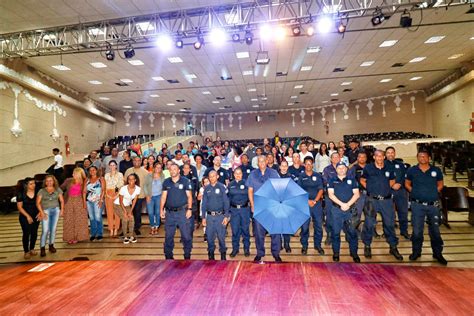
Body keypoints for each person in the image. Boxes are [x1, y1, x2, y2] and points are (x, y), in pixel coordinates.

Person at [405, 150, 447, 265]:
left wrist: (433, 192)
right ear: (417, 158)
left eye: (425, 156)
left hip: (433, 206)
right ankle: (416, 252)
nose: (422, 158)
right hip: (417, 205)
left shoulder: (436, 170)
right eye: (420, 156)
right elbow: (407, 183)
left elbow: (440, 184)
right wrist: (413, 191)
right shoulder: (412, 170)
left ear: (429, 157)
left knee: (435, 231)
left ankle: (437, 253)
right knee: (417, 231)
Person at [360, 150, 403, 261]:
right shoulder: (368, 168)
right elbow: (362, 180)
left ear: (384, 157)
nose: (379, 158)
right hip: (372, 200)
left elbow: (392, 181)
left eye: (381, 156)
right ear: (374, 157)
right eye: (377, 156)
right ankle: (367, 245)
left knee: (389, 224)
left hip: (386, 201)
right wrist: (370, 189)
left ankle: (393, 247)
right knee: (369, 224)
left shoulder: (389, 168)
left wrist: (384, 189)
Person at [246, 155, 282, 263]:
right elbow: (250, 191)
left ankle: (276, 253)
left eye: (263, 160)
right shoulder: (253, 174)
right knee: (258, 232)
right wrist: (252, 205)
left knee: (275, 231)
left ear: (267, 161)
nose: (261, 162)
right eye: (259, 161)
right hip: (258, 207)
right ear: (257, 163)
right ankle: (260, 253)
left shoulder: (273, 173)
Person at [327, 162, 361, 263]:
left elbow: (356, 194)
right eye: (339, 168)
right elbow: (331, 195)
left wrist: (348, 205)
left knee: (352, 233)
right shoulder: (332, 180)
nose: (341, 169)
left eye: (343, 168)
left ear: (346, 169)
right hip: (336, 210)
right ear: (336, 170)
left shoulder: (352, 180)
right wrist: (342, 204)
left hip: (350, 210)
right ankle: (336, 253)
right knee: (336, 233)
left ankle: (354, 253)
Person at [160, 164, 193, 260]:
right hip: (170, 214)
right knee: (168, 236)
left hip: (182, 212)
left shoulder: (185, 181)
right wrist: (161, 209)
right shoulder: (166, 182)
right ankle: (168, 257)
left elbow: (189, 196)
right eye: (171, 169)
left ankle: (187, 256)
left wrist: (190, 209)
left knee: (186, 236)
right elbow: (163, 197)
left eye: (175, 169)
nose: (172, 171)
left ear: (179, 170)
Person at [297, 157, 325, 255]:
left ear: (312, 164)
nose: (308, 165)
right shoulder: (301, 176)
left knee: (318, 226)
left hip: (317, 205)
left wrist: (315, 201)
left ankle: (318, 245)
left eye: (310, 163)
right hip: (304, 205)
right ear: (304, 164)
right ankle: (304, 246)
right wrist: (307, 201)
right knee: (304, 227)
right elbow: (298, 191)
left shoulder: (317, 175)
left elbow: (321, 189)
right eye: (306, 164)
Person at [201, 170, 230, 260]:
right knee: (209, 237)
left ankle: (223, 255)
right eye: (210, 176)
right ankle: (211, 255)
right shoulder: (207, 188)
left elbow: (226, 202)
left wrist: (226, 216)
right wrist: (203, 217)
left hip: (220, 216)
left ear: (217, 176)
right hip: (209, 217)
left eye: (213, 176)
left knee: (221, 237)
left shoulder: (222, 187)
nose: (212, 178)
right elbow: (204, 203)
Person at [36, 175, 64, 257]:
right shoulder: (41, 191)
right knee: (45, 230)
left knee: (53, 229)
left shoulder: (58, 189)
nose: (49, 182)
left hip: (55, 210)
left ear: (54, 181)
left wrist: (62, 210)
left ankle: (51, 245)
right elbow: (38, 203)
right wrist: (42, 212)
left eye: (50, 180)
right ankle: (42, 247)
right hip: (45, 211)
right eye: (47, 181)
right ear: (45, 182)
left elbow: (61, 201)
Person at [385, 146, 410, 240]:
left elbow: (405, 177)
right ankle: (390, 233)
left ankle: (404, 231)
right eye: (388, 152)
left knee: (403, 212)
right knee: (389, 214)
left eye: (392, 152)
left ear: (394, 154)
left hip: (401, 191)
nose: (390, 154)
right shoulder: (382, 164)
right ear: (385, 154)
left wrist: (399, 183)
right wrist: (392, 185)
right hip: (388, 191)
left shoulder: (401, 164)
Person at [61, 168, 89, 244]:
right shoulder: (68, 180)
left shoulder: (84, 182)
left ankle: (78, 237)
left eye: (74, 173)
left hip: (79, 201)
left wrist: (84, 204)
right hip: (69, 201)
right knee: (69, 219)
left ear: (79, 174)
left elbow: (85, 193)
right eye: (73, 173)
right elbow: (60, 188)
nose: (72, 174)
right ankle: (69, 237)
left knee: (79, 219)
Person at [228, 168, 251, 258]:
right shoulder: (230, 184)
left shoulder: (246, 183)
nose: (238, 175)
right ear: (234, 174)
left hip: (244, 210)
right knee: (235, 231)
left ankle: (246, 249)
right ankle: (235, 249)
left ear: (242, 174)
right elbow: (228, 198)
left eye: (239, 173)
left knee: (245, 230)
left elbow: (249, 194)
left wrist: (238, 192)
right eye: (236, 173)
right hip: (234, 211)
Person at [124, 156, 148, 235]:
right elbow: (125, 182)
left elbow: (148, 184)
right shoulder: (128, 170)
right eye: (135, 160)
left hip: (139, 195)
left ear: (141, 161)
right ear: (132, 161)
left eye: (138, 160)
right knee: (128, 211)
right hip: (128, 195)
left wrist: (147, 194)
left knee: (137, 212)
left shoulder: (144, 171)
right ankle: (128, 226)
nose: (136, 162)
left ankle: (137, 227)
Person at [17, 177, 40, 259]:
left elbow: (41, 203)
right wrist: (28, 216)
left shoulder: (37, 191)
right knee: (26, 233)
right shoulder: (21, 193)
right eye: (31, 184)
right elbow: (19, 207)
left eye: (34, 183)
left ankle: (32, 248)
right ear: (26, 185)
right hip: (24, 216)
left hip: (36, 215)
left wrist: (40, 212)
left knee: (34, 233)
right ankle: (26, 251)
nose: (33, 185)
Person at [114, 174, 140, 244]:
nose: (131, 180)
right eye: (129, 179)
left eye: (132, 179)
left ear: (135, 180)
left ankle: (131, 235)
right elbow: (120, 201)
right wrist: (125, 212)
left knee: (131, 218)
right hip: (118, 205)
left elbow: (134, 201)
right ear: (128, 181)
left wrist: (130, 211)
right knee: (125, 218)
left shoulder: (138, 189)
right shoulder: (123, 188)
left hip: (128, 205)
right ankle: (125, 236)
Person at [322, 152, 341, 246]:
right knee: (329, 216)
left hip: (342, 197)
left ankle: (339, 234)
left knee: (341, 215)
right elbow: (326, 181)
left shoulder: (344, 168)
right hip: (330, 196)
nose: (336, 158)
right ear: (331, 159)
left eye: (337, 156)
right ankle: (329, 234)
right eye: (334, 157)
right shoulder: (326, 169)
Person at [348, 152, 368, 231]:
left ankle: (372, 231)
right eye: (360, 157)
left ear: (366, 158)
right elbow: (350, 181)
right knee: (357, 214)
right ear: (357, 159)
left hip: (370, 194)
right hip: (359, 194)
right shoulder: (354, 168)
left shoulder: (370, 167)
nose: (362, 158)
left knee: (371, 214)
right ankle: (356, 231)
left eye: (364, 157)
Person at [84, 166, 105, 241]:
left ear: (96, 170)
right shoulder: (87, 179)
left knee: (98, 217)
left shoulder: (101, 179)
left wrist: (101, 200)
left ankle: (99, 233)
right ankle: (93, 233)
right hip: (89, 201)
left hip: (98, 201)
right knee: (92, 218)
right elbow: (84, 192)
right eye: (90, 170)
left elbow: (103, 190)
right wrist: (84, 202)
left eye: (93, 170)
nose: (92, 171)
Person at [143, 162, 164, 236]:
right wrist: (147, 195)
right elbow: (145, 186)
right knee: (151, 212)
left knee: (158, 212)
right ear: (154, 168)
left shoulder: (162, 176)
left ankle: (156, 226)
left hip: (159, 196)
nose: (158, 169)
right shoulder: (149, 175)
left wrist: (163, 196)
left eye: (160, 168)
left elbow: (164, 187)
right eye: (157, 167)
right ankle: (152, 226)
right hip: (150, 196)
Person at [104, 160, 124, 237]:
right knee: (109, 212)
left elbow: (121, 186)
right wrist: (107, 194)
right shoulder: (106, 175)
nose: (112, 167)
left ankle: (116, 228)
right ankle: (111, 229)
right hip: (108, 194)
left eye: (113, 165)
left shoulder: (120, 175)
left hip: (117, 194)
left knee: (117, 212)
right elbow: (104, 186)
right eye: (111, 165)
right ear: (109, 166)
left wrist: (117, 195)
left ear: (116, 166)